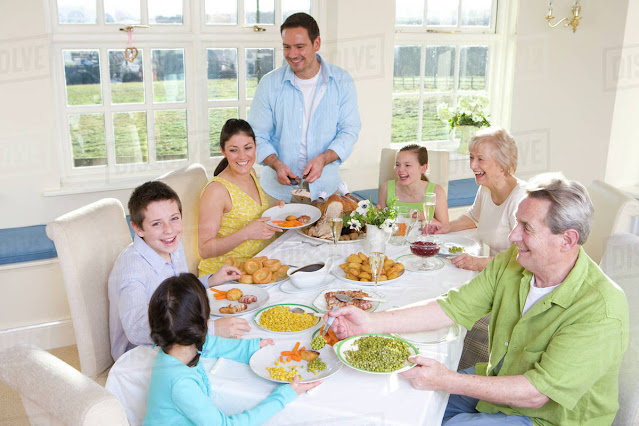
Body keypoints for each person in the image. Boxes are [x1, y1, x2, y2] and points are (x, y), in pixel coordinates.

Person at [328, 173, 629, 425]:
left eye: (526, 228)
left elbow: (536, 393)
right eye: (516, 223)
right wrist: (370, 322)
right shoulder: (516, 260)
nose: (512, 236)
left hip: (550, 418)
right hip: (503, 376)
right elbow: (453, 306)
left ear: (568, 240)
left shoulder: (601, 308)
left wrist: (445, 380)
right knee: (401, 406)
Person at [144, 273, 320, 425]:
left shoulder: (176, 344)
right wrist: (284, 396)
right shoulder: (181, 384)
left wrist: (252, 347)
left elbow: (211, 343)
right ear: (205, 321)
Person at [108, 181, 249, 362]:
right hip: (144, 356)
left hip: (181, 337)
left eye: (174, 218)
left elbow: (176, 294)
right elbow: (137, 330)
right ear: (138, 228)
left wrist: (210, 280)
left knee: (244, 341)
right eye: (157, 223)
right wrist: (208, 329)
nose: (169, 230)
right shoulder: (132, 269)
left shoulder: (172, 244)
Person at [248, 12, 361, 202]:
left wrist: (323, 159)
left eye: (300, 47)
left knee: (324, 233)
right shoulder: (268, 84)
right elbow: (256, 135)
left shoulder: (342, 81)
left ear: (317, 43)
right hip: (277, 192)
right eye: (287, 47)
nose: (292, 54)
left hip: (326, 190)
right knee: (276, 233)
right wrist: (275, 163)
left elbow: (349, 131)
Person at [430, 127, 526, 271]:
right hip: (494, 270)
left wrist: (477, 263)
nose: (472, 165)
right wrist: (446, 227)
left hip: (513, 275)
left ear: (502, 164)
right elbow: (473, 217)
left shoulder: (521, 199)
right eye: (471, 157)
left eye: (480, 159)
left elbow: (523, 256)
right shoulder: (486, 187)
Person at [198, 119, 283, 276]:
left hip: (258, 268)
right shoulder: (216, 191)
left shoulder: (251, 173)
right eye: (233, 150)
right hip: (226, 276)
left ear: (255, 146)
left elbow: (249, 216)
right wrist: (246, 233)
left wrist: (277, 212)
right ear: (223, 151)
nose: (242, 156)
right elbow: (204, 249)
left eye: (248, 148)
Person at [378, 144, 449, 224]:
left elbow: (445, 227)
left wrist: (425, 218)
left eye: (407, 165)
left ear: (423, 168)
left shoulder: (436, 192)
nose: (400, 169)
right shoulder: (386, 188)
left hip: (424, 236)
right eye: (397, 165)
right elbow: (379, 223)